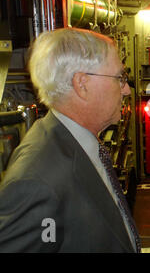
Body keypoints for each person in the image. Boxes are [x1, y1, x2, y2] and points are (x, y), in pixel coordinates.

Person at [0, 28, 140, 252]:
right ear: (82, 84)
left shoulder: (78, 144)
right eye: (119, 78)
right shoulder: (36, 181)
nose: (126, 90)